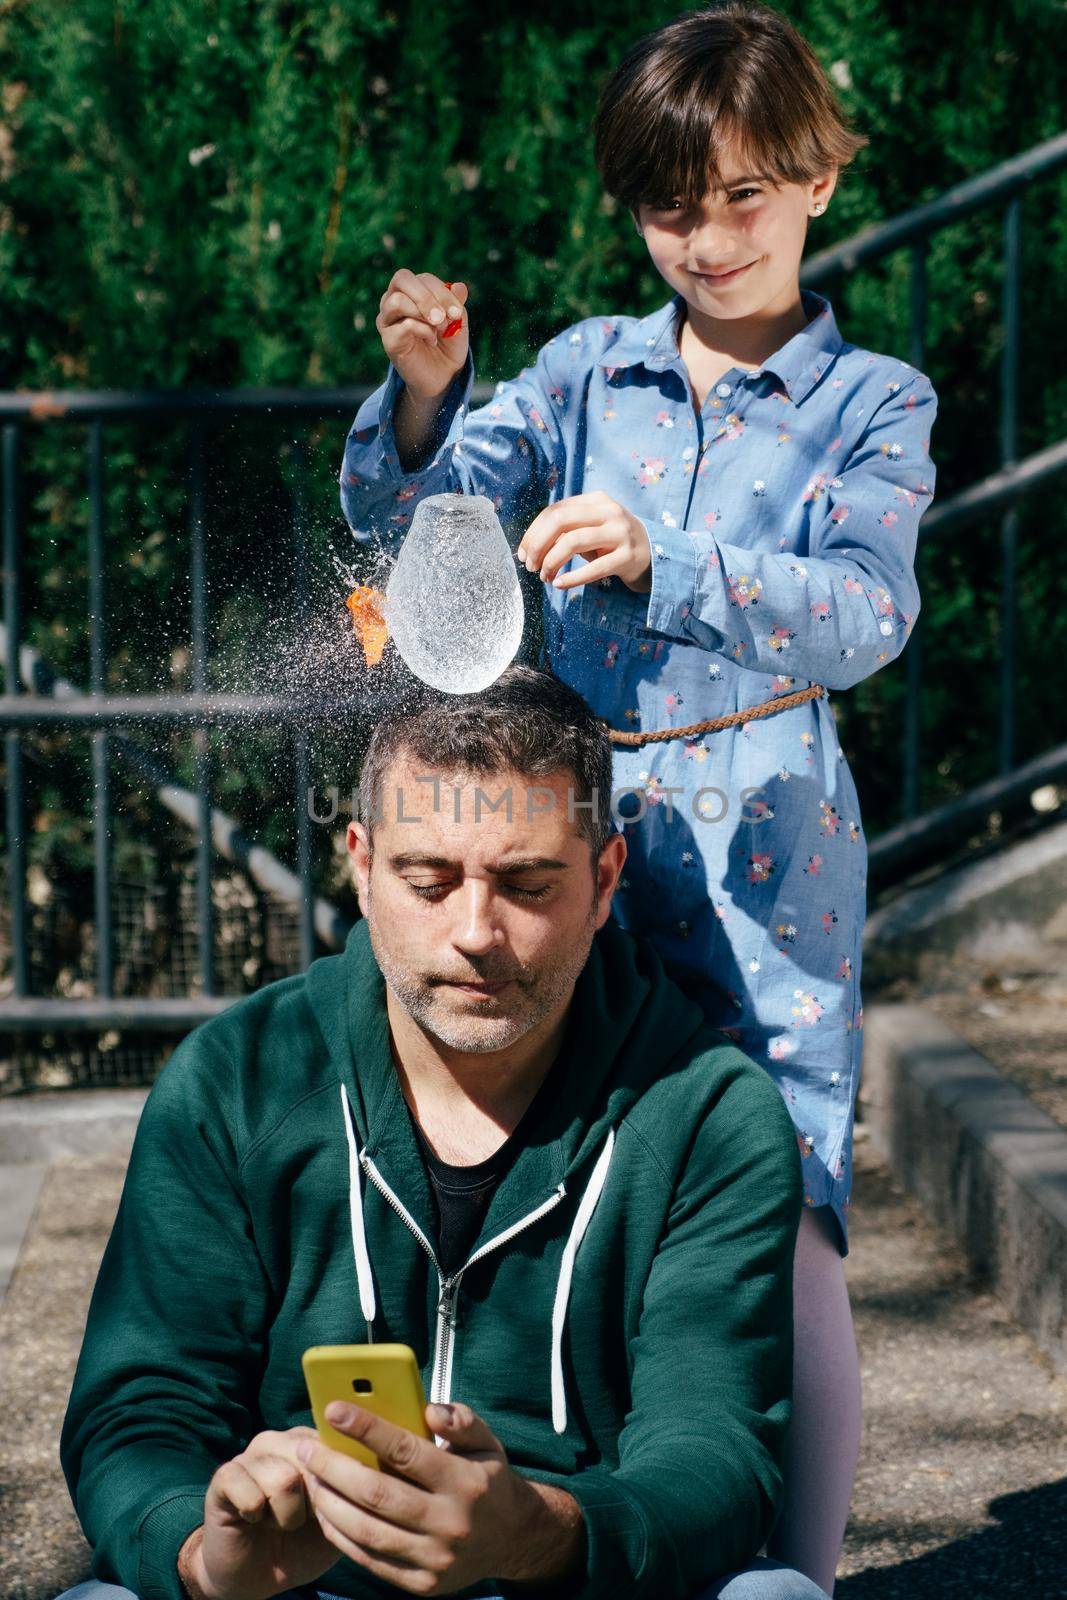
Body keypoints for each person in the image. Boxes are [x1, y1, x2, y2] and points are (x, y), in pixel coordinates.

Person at [337, 6, 941, 1591]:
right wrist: (419, 402)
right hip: (566, 840)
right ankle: (558, 1530)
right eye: (672, 205)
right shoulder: (578, 369)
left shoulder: (873, 400)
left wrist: (675, 562)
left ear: (821, 178)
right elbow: (429, 525)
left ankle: (798, 1572)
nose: (709, 237)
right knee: (556, 1161)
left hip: (766, 856)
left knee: (790, 1209)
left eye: (747, 195)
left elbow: (869, 615)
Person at [58, 667, 829, 1600]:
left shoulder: (709, 1111)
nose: (476, 931)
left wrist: (533, 1535)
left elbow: (715, 1452)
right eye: (428, 881)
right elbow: (138, 1411)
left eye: (528, 884)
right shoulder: (239, 1077)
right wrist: (202, 1556)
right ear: (359, 863)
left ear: (603, 881)